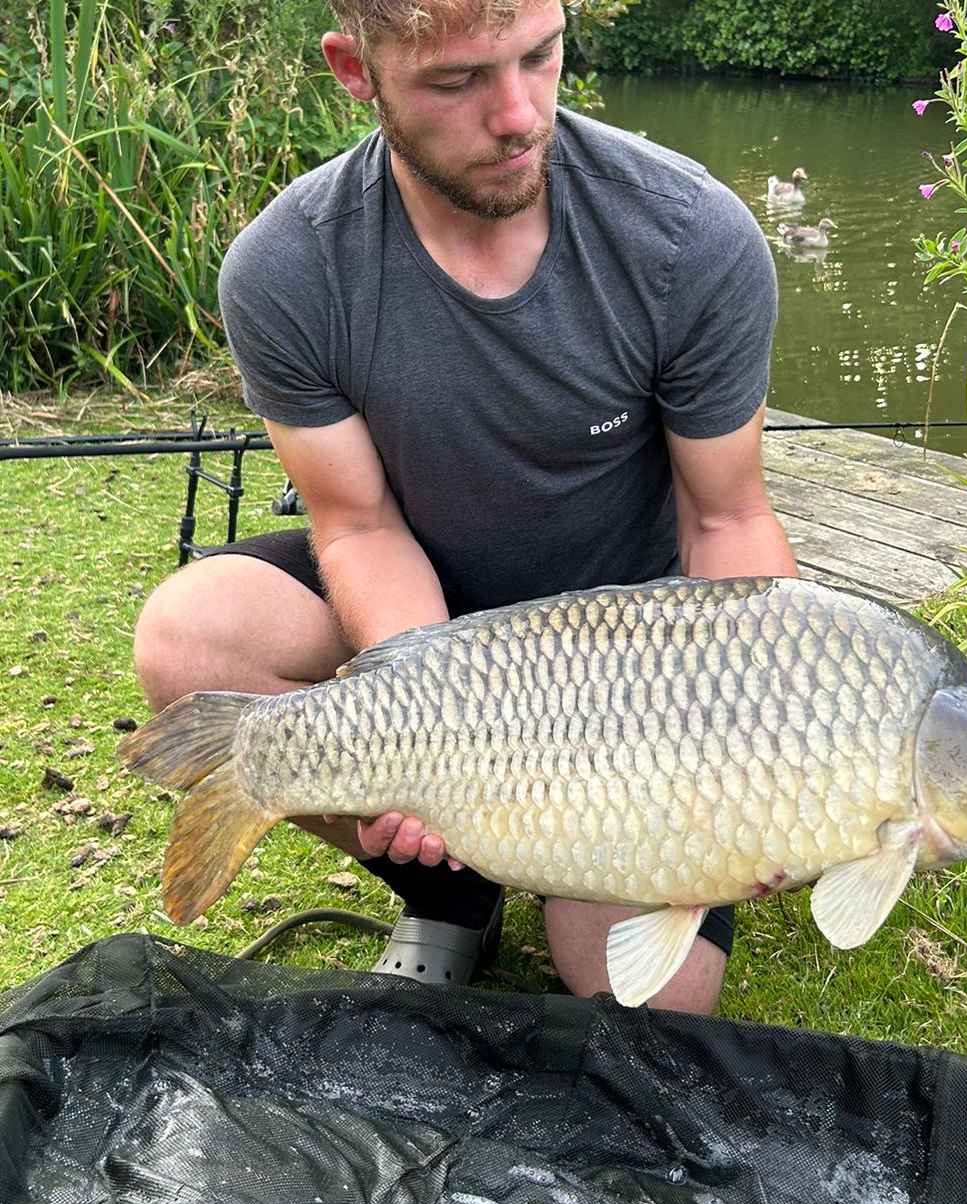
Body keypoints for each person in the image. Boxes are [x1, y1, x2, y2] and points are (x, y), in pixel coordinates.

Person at [132, 0, 799, 1015]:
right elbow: (358, 525)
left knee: (648, 1005)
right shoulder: (287, 268)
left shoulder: (690, 238)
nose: (520, 113)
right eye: (457, 82)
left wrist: (763, 748)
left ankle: (543, 850)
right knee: (191, 637)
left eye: (541, 55)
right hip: (423, 605)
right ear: (357, 71)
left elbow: (727, 522)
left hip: (627, 666)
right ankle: (451, 891)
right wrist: (428, 739)